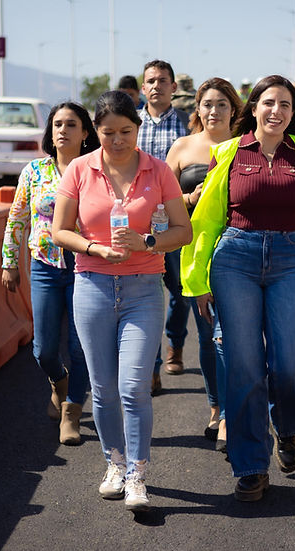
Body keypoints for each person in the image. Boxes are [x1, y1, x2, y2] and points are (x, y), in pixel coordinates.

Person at [181, 75, 295, 502]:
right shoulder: (227, 152)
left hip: (289, 259)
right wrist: (198, 280)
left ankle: (284, 425)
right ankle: (250, 467)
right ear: (254, 108)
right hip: (235, 259)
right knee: (244, 366)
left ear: (293, 113)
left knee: (290, 364)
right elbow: (206, 220)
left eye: (285, 104)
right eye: (269, 102)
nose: (276, 111)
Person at [52, 90, 192, 513]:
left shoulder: (158, 170)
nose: (117, 141)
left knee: (133, 387)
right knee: (103, 389)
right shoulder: (79, 169)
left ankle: (137, 475)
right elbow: (61, 230)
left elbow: (181, 231)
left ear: (138, 128)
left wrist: (146, 240)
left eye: (126, 132)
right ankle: (114, 463)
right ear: (96, 131)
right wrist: (95, 250)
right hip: (92, 285)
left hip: (143, 289)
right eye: (108, 132)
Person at [2, 102, 97, 445]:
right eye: (57, 124)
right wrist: (9, 261)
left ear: (85, 133)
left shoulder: (95, 170)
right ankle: (59, 384)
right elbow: (17, 217)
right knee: (43, 350)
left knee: (79, 345)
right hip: (44, 265)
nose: (63, 131)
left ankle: (72, 412)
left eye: (71, 125)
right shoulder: (34, 171)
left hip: (85, 268)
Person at [165, 77, 242, 451]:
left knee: (234, 337)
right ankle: (217, 407)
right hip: (194, 253)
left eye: (222, 105)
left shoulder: (245, 147)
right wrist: (187, 197)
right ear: (197, 108)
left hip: (238, 251)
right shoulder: (182, 147)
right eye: (208, 104)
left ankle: (234, 412)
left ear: (234, 110)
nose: (214, 111)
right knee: (209, 336)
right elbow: (158, 200)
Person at [137, 59, 191, 394]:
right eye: (151, 81)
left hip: (175, 222)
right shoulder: (131, 125)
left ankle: (176, 344)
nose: (156, 86)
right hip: (138, 226)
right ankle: (152, 366)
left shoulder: (187, 127)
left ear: (173, 87)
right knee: (147, 296)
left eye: (163, 80)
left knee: (180, 292)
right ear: (143, 88)